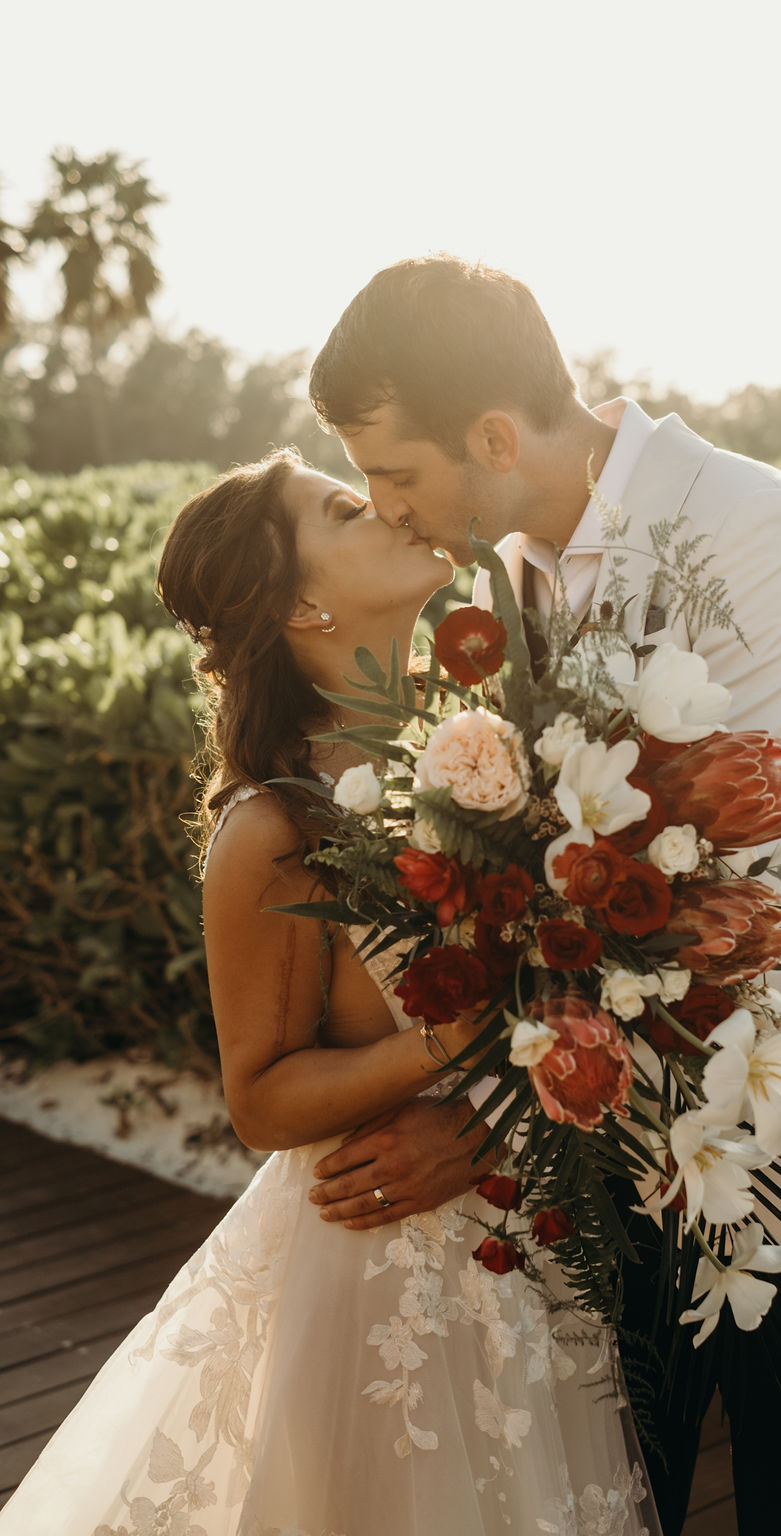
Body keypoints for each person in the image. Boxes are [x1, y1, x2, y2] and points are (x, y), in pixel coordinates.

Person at [306, 256, 781, 1536]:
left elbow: (743, 886)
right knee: (615, 1498)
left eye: (399, 474)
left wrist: (486, 1118)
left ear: (492, 434)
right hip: (601, 1157)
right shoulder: (505, 574)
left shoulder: (750, 529)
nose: (386, 509)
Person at [0, 449, 659, 1536]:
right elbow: (259, 1099)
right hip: (381, 1282)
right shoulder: (272, 828)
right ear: (302, 603)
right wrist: (449, 1041)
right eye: (351, 508)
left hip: (523, 1248)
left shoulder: (487, 743)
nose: (395, 509)